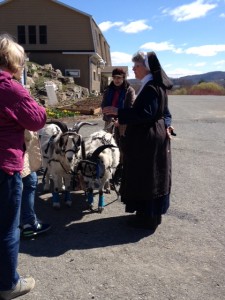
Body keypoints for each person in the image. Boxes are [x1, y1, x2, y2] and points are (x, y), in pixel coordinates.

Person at [102, 51, 173, 231]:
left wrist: (119, 112)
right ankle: (148, 215)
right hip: (152, 135)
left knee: (147, 176)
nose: (133, 69)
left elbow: (146, 114)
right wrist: (165, 125)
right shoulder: (155, 84)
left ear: (146, 67)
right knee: (152, 175)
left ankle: (147, 218)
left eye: (136, 65)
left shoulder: (150, 87)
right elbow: (159, 113)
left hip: (147, 138)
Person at [0, 34, 46, 299]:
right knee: (7, 227)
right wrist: (23, 89)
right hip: (4, 166)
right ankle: (8, 284)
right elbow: (37, 119)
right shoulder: (9, 87)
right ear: (13, 62)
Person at [20, 130, 51, 238]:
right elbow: (29, 131)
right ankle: (29, 224)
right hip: (18, 155)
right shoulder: (14, 112)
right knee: (29, 183)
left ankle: (16, 224)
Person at [101, 68, 135, 160]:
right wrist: (108, 115)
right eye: (115, 77)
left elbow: (130, 108)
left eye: (119, 78)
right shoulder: (108, 90)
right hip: (109, 120)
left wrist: (120, 118)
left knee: (123, 144)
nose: (117, 80)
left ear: (123, 78)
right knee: (108, 142)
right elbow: (103, 105)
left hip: (123, 121)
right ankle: (110, 163)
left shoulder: (129, 90)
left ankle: (122, 164)